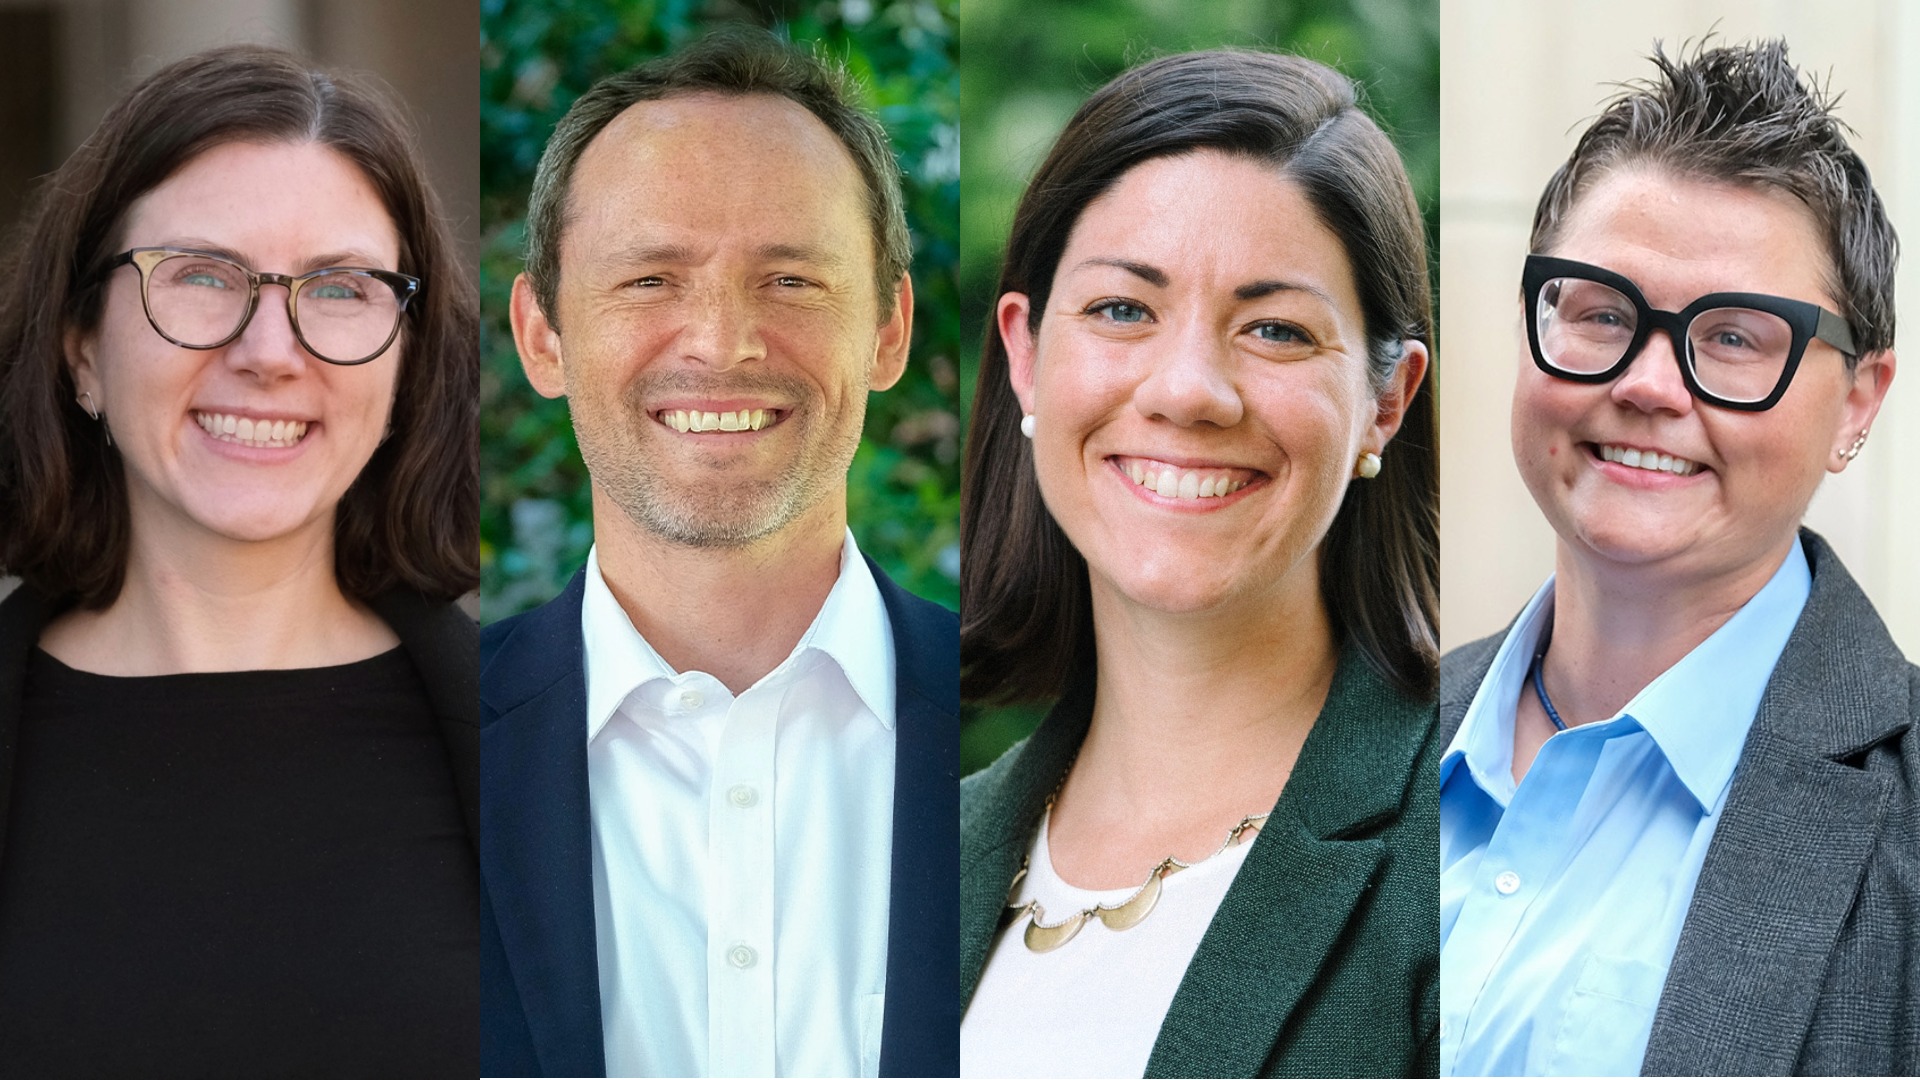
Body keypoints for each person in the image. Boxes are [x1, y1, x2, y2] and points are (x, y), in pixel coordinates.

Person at [479, 30, 958, 1079]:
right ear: (541, 338)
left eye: (790, 280)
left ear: (889, 330)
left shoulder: (1045, 722)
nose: (722, 342)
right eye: (650, 279)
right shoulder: (411, 755)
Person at [1439, 39, 1916, 1077]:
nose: (1650, 384)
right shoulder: (1351, 739)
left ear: (1860, 403)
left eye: (1735, 338)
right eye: (1602, 313)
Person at [0, 45, 479, 1075]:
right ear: (81, 348)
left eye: (341, 288)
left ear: (407, 357)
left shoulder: (551, 743)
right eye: (202, 277)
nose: (271, 350)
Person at [959, 49, 1439, 1078]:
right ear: (1027, 351)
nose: (1189, 390)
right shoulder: (912, 855)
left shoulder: (1472, 840)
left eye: (1275, 329)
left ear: (1385, 403)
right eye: (1123, 310)